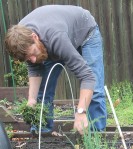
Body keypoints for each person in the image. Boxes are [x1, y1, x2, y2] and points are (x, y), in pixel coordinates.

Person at [4, 5, 106, 135]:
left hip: (85, 32)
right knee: (43, 90)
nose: (33, 60)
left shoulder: (56, 38)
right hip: (51, 40)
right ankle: (43, 132)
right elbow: (34, 68)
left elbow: (87, 77)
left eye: (33, 54)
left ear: (35, 37)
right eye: (28, 58)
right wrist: (31, 100)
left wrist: (81, 111)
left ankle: (95, 134)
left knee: (95, 89)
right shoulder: (20, 39)